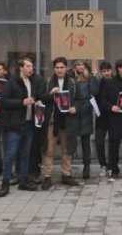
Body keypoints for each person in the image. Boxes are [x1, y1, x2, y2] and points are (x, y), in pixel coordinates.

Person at [0, 57, 45, 197]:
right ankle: (5, 183)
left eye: (32, 66)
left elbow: (32, 98)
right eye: (28, 66)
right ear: (21, 68)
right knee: (10, 154)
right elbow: (4, 101)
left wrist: (36, 102)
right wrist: (21, 102)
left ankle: (23, 181)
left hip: (28, 123)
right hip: (14, 125)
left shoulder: (31, 81)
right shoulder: (11, 82)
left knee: (25, 153)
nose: (31, 68)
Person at [40, 57, 79, 190]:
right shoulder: (49, 81)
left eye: (62, 67)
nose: (59, 70)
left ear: (66, 68)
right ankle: (47, 176)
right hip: (52, 120)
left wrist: (76, 108)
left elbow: (80, 100)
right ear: (54, 68)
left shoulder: (73, 82)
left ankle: (66, 174)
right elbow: (42, 99)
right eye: (57, 67)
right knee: (48, 149)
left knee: (67, 149)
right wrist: (50, 94)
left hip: (68, 120)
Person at [70, 60, 99, 180]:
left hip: (86, 111)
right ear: (74, 67)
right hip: (73, 111)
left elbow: (95, 92)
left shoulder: (90, 78)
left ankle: (86, 166)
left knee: (85, 142)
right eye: (78, 65)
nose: (80, 67)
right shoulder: (71, 78)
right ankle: (68, 168)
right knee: (71, 141)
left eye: (82, 65)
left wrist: (94, 76)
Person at [95, 61, 113, 177]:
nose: (106, 73)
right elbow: (94, 94)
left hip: (113, 116)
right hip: (101, 116)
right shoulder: (99, 83)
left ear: (111, 70)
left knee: (112, 142)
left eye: (107, 71)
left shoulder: (116, 81)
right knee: (99, 141)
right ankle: (103, 164)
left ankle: (111, 166)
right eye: (103, 71)